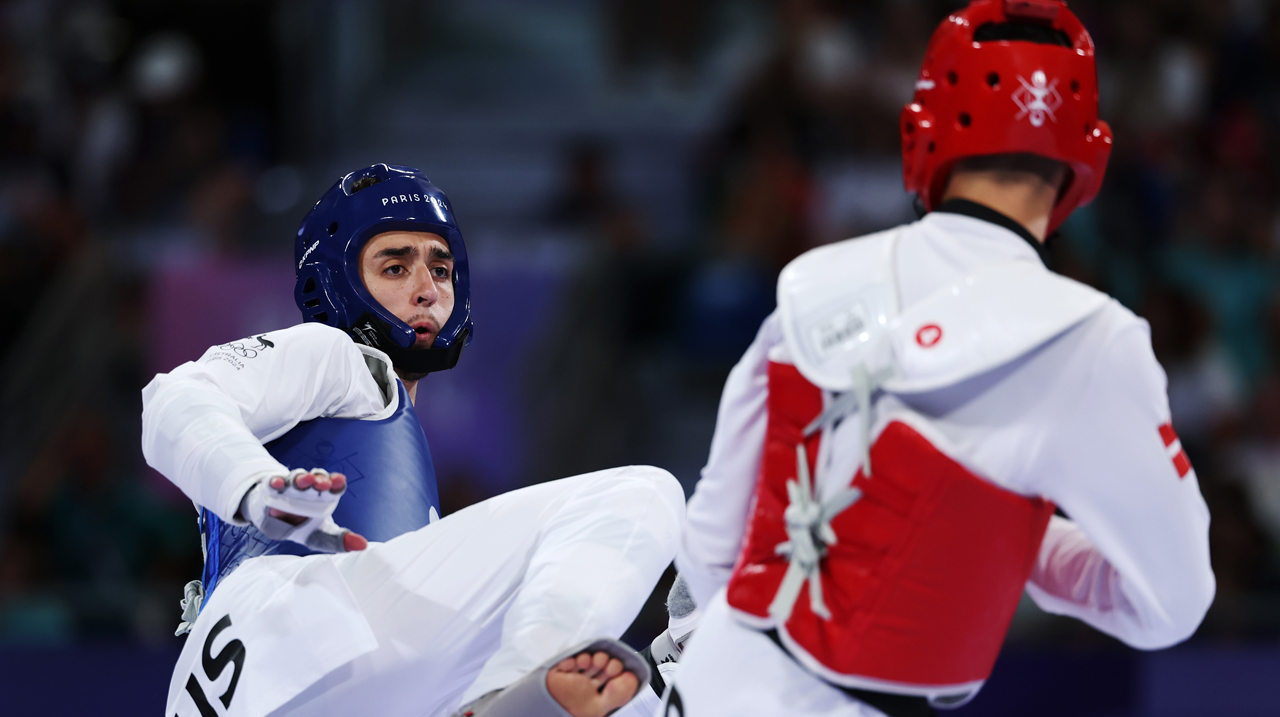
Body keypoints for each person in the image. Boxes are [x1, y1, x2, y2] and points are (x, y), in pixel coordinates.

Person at [665, 2, 1215, 715]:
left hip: (709, 679)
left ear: (921, 131)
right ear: (1088, 158)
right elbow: (1174, 603)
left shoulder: (814, 282)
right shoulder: (1091, 339)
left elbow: (711, 540)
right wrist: (1022, 545)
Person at [142, 163, 685, 717]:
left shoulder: (397, 490)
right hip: (290, 634)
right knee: (642, 493)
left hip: (286, 683)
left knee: (603, 675)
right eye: (396, 267)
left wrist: (670, 661)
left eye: (441, 269)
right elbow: (174, 399)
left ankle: (660, 673)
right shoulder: (332, 354)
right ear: (334, 283)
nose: (427, 290)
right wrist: (256, 486)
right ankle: (518, 695)